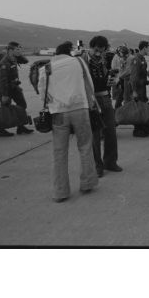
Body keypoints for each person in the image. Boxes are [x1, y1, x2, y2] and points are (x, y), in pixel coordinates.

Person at [38, 41, 98, 202]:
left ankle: (60, 192)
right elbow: (88, 84)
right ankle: (87, 183)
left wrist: (55, 103)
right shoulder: (77, 62)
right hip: (80, 109)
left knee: (59, 152)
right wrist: (92, 103)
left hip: (58, 112)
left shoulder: (46, 68)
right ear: (69, 51)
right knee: (85, 146)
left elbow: (42, 93)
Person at [83, 35, 121, 176]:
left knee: (111, 131)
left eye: (102, 50)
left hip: (105, 97)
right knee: (95, 135)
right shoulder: (82, 61)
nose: (99, 53)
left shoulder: (106, 60)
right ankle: (97, 166)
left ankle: (110, 162)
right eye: (97, 50)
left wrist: (115, 80)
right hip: (91, 100)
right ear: (91, 47)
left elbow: (116, 74)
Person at [0, 41, 34, 137]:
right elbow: (2, 81)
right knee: (5, 109)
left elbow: (26, 61)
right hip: (6, 89)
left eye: (20, 49)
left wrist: (19, 55)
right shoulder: (4, 63)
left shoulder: (13, 59)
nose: (19, 51)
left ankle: (20, 127)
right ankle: (0, 130)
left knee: (22, 105)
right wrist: (4, 95)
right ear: (10, 50)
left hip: (14, 87)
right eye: (17, 49)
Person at [130, 40, 149, 137]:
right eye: (148, 47)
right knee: (138, 108)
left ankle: (143, 128)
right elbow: (133, 77)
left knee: (142, 107)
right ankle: (137, 130)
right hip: (138, 88)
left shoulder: (142, 58)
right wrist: (134, 91)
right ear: (144, 48)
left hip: (142, 87)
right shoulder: (137, 59)